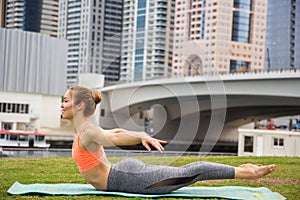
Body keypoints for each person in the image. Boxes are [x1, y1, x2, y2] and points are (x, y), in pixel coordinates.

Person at [61, 86, 277, 194]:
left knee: (189, 174)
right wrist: (140, 135)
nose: (62, 105)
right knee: (187, 174)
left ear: (79, 106)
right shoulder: (84, 131)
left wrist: (139, 136)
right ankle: (242, 170)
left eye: (66, 101)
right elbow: (113, 132)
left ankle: (244, 172)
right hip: (123, 175)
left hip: (126, 178)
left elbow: (113, 137)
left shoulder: (88, 131)